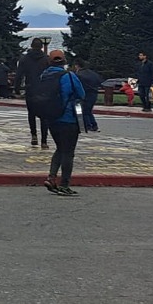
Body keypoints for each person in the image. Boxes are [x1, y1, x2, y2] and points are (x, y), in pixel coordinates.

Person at [40, 50, 86, 195]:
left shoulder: (44, 76)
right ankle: (64, 184)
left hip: (51, 118)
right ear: (64, 61)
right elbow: (81, 94)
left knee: (60, 148)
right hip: (68, 118)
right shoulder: (69, 76)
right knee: (68, 152)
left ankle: (51, 177)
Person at [16, 37, 51, 148]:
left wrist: (17, 88)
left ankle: (34, 135)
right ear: (41, 47)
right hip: (43, 89)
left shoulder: (24, 59)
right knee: (44, 116)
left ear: (31, 46)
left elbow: (19, 75)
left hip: (30, 89)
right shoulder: (46, 59)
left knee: (31, 113)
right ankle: (44, 141)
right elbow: (50, 75)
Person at [72, 61, 104, 132]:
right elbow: (100, 82)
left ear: (77, 66)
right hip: (94, 93)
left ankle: (88, 125)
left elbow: (76, 85)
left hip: (85, 93)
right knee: (89, 110)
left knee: (84, 110)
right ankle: (94, 125)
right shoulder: (93, 74)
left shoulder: (79, 74)